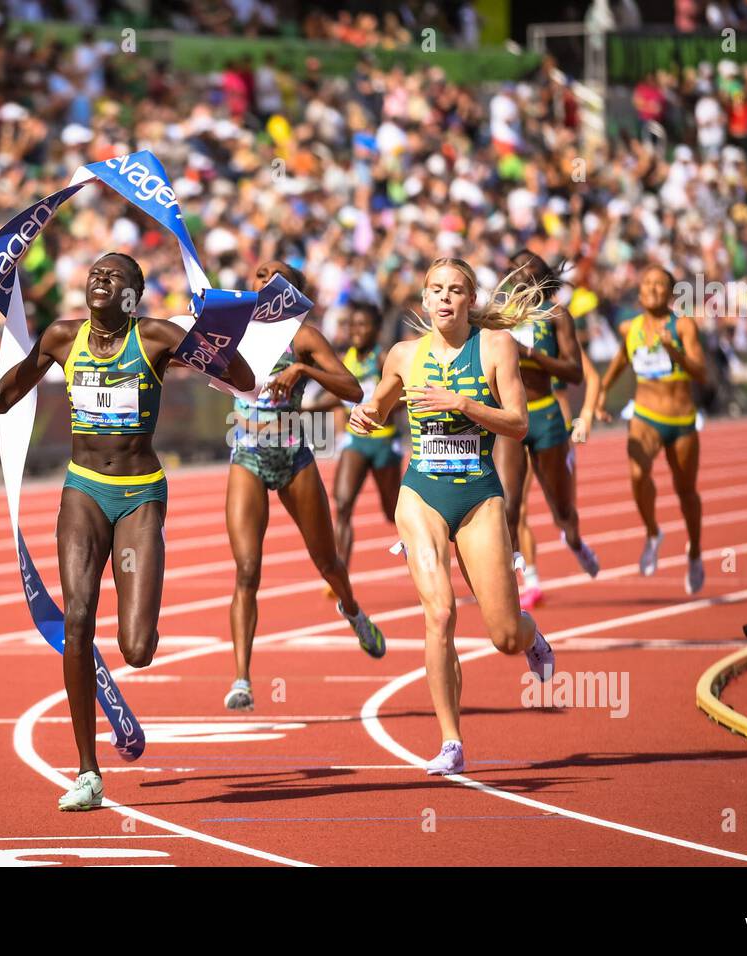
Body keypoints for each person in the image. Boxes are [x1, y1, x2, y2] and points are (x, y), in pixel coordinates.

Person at [0, 252, 255, 811]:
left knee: (136, 650)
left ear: (134, 293)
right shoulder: (63, 338)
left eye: (114, 275)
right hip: (82, 489)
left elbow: (245, 380)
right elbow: (1, 399)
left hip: (140, 496)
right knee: (77, 618)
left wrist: (214, 337)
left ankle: (131, 641)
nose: (100, 279)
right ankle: (88, 771)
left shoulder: (158, 337)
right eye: (94, 273)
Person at [348, 257, 555, 775]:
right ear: (423, 300)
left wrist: (462, 402)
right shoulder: (402, 354)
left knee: (504, 635)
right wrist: (363, 416)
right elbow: (378, 408)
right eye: (436, 289)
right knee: (439, 612)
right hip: (420, 493)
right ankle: (451, 742)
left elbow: (518, 425)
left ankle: (532, 636)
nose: (444, 298)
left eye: (456, 290)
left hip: (480, 496)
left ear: (470, 300)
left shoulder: (495, 347)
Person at [225, 260, 387, 712]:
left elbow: (354, 389)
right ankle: (242, 678)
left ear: (293, 290)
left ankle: (353, 611)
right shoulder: (234, 328)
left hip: (294, 455)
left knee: (328, 562)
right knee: (246, 570)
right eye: (257, 273)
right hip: (247, 454)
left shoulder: (305, 338)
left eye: (275, 274)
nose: (263, 279)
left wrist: (305, 372)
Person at [596, 265, 708, 593]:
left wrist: (673, 350)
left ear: (671, 292)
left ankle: (696, 550)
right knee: (636, 474)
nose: (652, 289)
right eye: (647, 283)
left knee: (685, 491)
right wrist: (600, 394)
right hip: (645, 414)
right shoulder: (631, 328)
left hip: (681, 419)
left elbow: (701, 372)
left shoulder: (683, 325)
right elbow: (618, 363)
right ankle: (652, 531)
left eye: (660, 284)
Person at [499, 250, 600, 610]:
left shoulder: (557, 315)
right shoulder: (500, 316)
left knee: (561, 509)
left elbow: (574, 372)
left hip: (546, 415)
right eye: (515, 269)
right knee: (508, 503)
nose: (522, 274)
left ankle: (575, 541)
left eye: (531, 268)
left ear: (544, 277)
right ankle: (517, 577)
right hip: (511, 418)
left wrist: (535, 357)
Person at [327, 301, 402, 575]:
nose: (356, 331)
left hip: (384, 442)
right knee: (343, 502)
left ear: (377, 329)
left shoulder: (384, 359)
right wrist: (305, 408)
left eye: (363, 325)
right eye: (352, 325)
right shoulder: (346, 359)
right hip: (355, 440)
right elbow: (337, 399)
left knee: (392, 512)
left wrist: (380, 407)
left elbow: (405, 396)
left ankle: (423, 555)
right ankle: (340, 573)